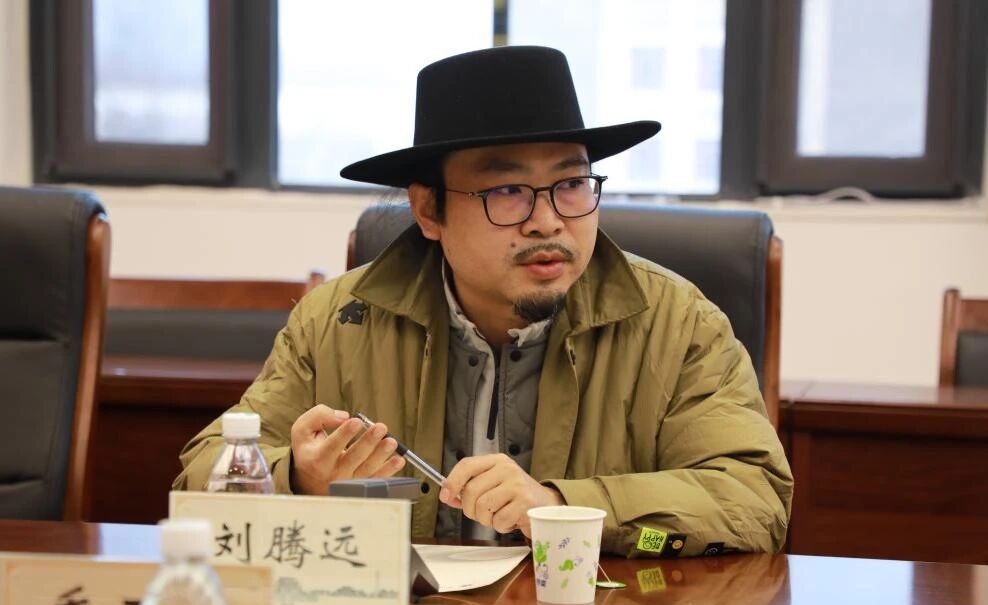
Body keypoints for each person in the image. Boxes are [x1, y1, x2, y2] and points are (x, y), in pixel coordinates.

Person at [174, 45, 793, 557]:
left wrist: (562, 507)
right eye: (507, 191)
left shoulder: (677, 324)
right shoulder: (338, 320)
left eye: (572, 183)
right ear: (428, 209)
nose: (548, 221)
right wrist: (299, 477)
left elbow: (754, 500)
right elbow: (202, 477)